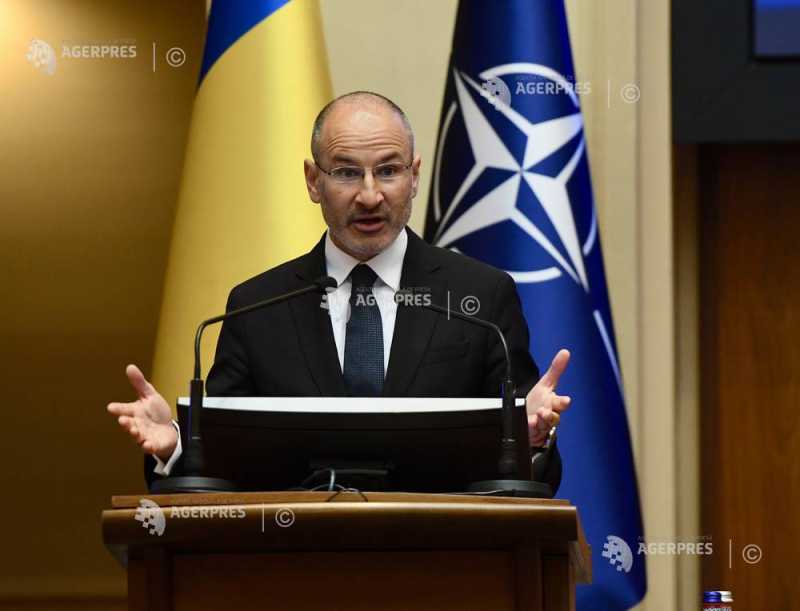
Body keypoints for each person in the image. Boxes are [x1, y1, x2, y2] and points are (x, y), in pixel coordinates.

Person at [107, 91, 572, 490]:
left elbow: (528, 471)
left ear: (414, 176)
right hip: (297, 554)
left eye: (388, 171)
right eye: (347, 173)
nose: (369, 195)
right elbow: (225, 457)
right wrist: (175, 446)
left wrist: (532, 439)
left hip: (443, 552)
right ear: (314, 181)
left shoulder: (482, 296)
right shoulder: (256, 307)